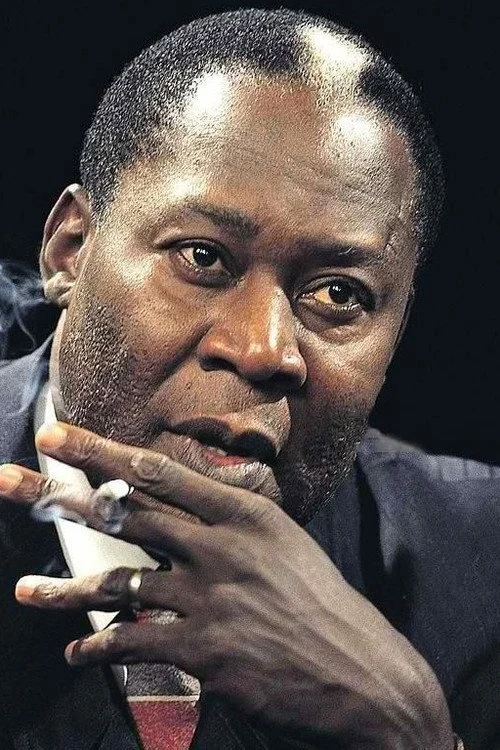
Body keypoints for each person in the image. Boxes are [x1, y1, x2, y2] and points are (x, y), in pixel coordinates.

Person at [0, 7, 497, 750]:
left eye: (339, 294)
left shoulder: (484, 564)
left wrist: (412, 733)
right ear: (71, 250)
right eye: (202, 257)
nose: (265, 351)